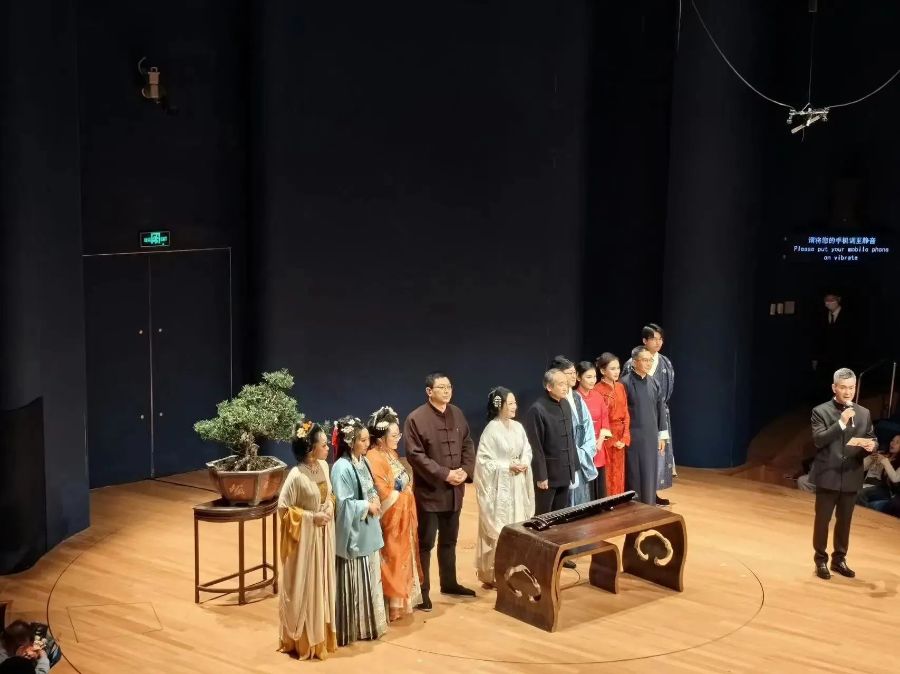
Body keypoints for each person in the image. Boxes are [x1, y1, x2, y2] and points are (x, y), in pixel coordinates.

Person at [404, 372, 477, 611]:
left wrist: (465, 471)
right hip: (430, 492)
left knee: (450, 540)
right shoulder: (416, 418)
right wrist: (445, 474)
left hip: (455, 491)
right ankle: (422, 593)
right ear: (429, 391)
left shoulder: (457, 413)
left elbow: (467, 443)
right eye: (442, 387)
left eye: (449, 387)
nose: (447, 391)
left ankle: (449, 582)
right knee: (425, 544)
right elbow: (415, 456)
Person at [277, 421, 337, 660]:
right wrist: (312, 518)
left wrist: (330, 505)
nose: (328, 448)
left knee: (322, 586)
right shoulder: (296, 476)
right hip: (304, 545)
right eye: (323, 445)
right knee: (307, 588)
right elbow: (283, 510)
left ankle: (322, 637)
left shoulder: (324, 466)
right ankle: (303, 642)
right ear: (311, 449)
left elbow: (328, 495)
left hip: (323, 539)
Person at [810, 368, 878, 580]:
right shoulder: (820, 411)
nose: (848, 392)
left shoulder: (864, 413)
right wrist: (840, 422)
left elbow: (872, 437)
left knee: (845, 521)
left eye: (851, 388)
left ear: (855, 388)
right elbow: (819, 440)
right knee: (823, 520)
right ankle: (820, 560)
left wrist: (872, 446)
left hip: (851, 474)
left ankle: (839, 559)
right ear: (834, 387)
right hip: (828, 474)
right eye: (843, 387)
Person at [330, 416, 388, 645]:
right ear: (350, 441)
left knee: (371, 577)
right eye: (362, 440)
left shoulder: (363, 462)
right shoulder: (341, 468)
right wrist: (366, 506)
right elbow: (343, 504)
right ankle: (352, 628)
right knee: (353, 582)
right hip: (354, 532)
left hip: (368, 528)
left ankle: (370, 625)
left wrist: (375, 498)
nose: (367, 443)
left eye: (366, 439)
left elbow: (370, 486)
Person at [366, 405, 423, 622]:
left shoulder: (390, 454)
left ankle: (400, 602)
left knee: (401, 555)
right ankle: (390, 605)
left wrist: (403, 489)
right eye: (394, 435)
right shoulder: (374, 457)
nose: (398, 438)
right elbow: (381, 492)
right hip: (390, 516)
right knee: (392, 556)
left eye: (398, 434)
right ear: (381, 438)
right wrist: (399, 492)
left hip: (402, 514)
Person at [474, 387, 535, 588]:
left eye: (515, 402)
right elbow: (483, 462)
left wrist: (524, 462)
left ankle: (517, 569)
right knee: (500, 527)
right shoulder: (491, 430)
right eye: (510, 403)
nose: (514, 406)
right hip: (499, 489)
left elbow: (526, 449)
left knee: (518, 523)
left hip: (517, 484)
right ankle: (496, 573)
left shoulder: (518, 427)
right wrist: (507, 466)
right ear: (499, 406)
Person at [625, 323, 675, 505]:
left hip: (655, 419)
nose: (658, 342)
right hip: (635, 425)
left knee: (654, 461)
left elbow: (663, 397)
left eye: (660, 339)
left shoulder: (664, 364)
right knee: (635, 466)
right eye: (654, 339)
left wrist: (662, 432)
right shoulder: (627, 376)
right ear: (645, 341)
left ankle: (652, 494)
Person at [526, 369, 578, 514]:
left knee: (559, 515)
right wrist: (541, 475)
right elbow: (535, 446)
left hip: (565, 472)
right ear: (549, 387)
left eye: (566, 384)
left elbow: (570, 437)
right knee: (543, 516)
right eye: (561, 384)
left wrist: (574, 467)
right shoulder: (537, 409)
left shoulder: (565, 404)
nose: (565, 387)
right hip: (548, 475)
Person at [549, 356, 597, 506]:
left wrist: (584, 451)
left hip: (581, 457)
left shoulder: (576, 397)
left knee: (581, 503)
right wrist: (573, 453)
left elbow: (588, 427)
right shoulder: (553, 402)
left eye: (574, 372)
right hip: (565, 461)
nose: (573, 376)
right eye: (569, 373)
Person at [575, 361, 611, 500]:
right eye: (588, 377)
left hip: (598, 446)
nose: (592, 380)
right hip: (582, 447)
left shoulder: (598, 396)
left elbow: (605, 420)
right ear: (578, 377)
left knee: (599, 488)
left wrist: (600, 441)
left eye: (594, 377)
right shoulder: (574, 398)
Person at [595, 352, 631, 495]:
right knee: (607, 473)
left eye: (618, 368)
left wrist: (624, 437)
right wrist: (611, 439)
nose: (617, 372)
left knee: (619, 473)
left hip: (620, 434)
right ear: (603, 371)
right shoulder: (597, 390)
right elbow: (599, 419)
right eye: (612, 368)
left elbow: (626, 413)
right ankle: (606, 502)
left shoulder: (620, 387)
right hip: (606, 437)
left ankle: (617, 502)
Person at [857, 435, 900, 512]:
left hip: (882, 489)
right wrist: (870, 458)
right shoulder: (881, 454)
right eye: (892, 440)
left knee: (859, 493)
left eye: (897, 442)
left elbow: (895, 479)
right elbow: (859, 469)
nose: (893, 443)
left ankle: (865, 514)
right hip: (866, 483)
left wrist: (884, 461)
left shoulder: (895, 462)